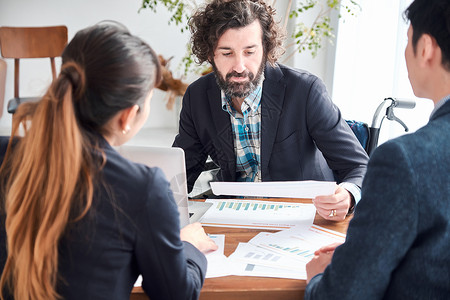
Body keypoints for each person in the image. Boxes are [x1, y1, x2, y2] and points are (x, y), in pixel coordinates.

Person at [0, 22, 217, 300]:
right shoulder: (142, 188)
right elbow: (177, 294)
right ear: (128, 116)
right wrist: (187, 245)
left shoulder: (5, 155)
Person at [172, 0, 369, 221]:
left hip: (303, 217)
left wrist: (348, 195)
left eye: (250, 52)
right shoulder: (197, 97)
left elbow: (358, 166)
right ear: (210, 54)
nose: (239, 66)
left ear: (265, 49)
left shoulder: (305, 91)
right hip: (234, 217)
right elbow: (179, 174)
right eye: (227, 53)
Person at [305, 0, 450, 298]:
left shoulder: (405, 160)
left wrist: (320, 277)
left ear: (425, 49)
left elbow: (344, 294)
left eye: (407, 41)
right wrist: (359, 254)